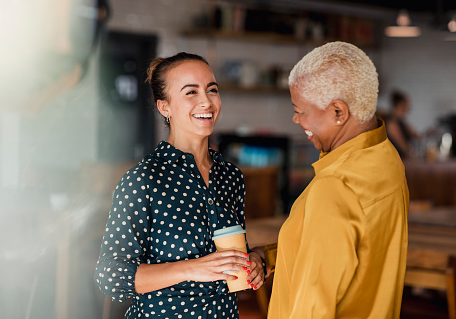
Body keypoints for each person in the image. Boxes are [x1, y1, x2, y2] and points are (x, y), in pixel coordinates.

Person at [94, 52, 265, 318]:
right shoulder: (144, 179)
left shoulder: (231, 177)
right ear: (165, 107)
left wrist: (255, 260)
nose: (206, 101)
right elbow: (110, 276)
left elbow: (232, 253)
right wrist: (192, 268)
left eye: (212, 90)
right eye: (191, 92)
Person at [255, 42, 409, 318]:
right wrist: (272, 256)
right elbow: (347, 250)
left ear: (338, 112)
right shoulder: (386, 158)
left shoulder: (335, 186)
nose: (295, 119)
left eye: (300, 109)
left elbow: (312, 308)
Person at [386, 90, 418, 158]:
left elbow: (417, 136)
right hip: (396, 161)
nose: (408, 108)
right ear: (398, 105)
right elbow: (404, 147)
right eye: (405, 105)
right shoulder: (392, 123)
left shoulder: (402, 122)